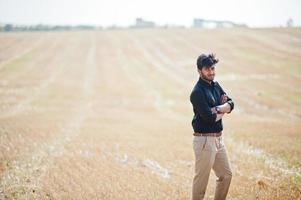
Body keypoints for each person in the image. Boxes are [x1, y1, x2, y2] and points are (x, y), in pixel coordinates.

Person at [190, 53, 234, 200]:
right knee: (201, 183)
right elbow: (209, 118)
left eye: (213, 68)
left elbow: (231, 104)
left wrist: (217, 109)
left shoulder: (216, 85)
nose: (211, 72)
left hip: (218, 140)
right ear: (199, 71)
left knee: (226, 175)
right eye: (207, 69)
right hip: (204, 142)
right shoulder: (196, 92)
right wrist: (223, 108)